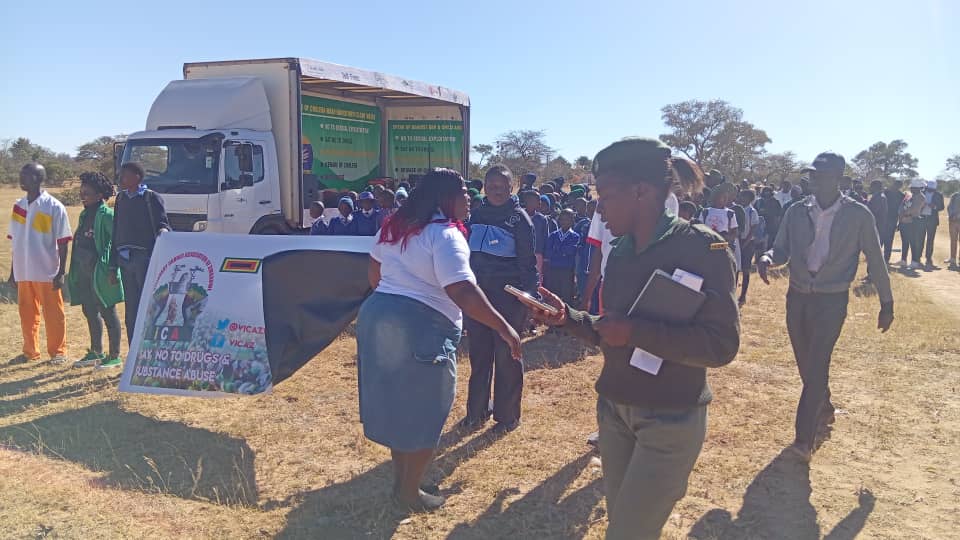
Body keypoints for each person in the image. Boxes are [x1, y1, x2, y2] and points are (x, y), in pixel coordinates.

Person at [531, 138, 739, 540]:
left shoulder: (703, 249)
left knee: (628, 533)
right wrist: (569, 319)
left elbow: (721, 346)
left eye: (605, 196)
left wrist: (635, 332)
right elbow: (613, 332)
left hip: (670, 418)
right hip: (615, 410)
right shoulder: (622, 251)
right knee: (624, 525)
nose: (598, 208)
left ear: (641, 192)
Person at [357, 168, 521, 512]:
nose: (470, 197)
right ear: (446, 197)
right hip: (421, 328)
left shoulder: (394, 227)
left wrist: (395, 305)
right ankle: (408, 494)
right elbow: (461, 288)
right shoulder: (445, 234)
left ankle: (404, 483)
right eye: (463, 192)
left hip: (378, 320)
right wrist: (504, 327)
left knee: (401, 409)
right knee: (426, 412)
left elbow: (374, 272)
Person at [758, 152, 894, 462]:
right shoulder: (795, 212)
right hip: (798, 297)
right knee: (806, 364)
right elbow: (780, 249)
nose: (814, 180)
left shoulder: (858, 215)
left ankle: (803, 440)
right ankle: (826, 406)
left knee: (817, 362)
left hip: (832, 300)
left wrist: (887, 302)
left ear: (837, 178)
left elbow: (875, 258)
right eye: (813, 174)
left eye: (821, 175)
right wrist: (768, 258)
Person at [462, 164, 538, 432]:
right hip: (478, 297)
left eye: (502, 186)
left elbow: (529, 265)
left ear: (511, 188)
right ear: (484, 188)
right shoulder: (476, 214)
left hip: (508, 298)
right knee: (479, 356)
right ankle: (476, 412)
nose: (496, 191)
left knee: (507, 356)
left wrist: (529, 303)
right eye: (491, 186)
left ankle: (507, 417)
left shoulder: (520, 220)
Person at [8, 163, 72, 365]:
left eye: (24, 175)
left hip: (47, 271)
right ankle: (30, 351)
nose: (20, 179)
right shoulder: (19, 205)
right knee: (27, 314)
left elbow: (63, 241)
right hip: (24, 271)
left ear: (36, 179)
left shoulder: (53, 207)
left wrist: (61, 272)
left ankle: (58, 352)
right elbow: (16, 240)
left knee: (53, 314)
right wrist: (13, 272)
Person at [68, 172, 125, 369]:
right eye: (81, 193)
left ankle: (115, 355)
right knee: (89, 310)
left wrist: (111, 269)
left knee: (108, 312)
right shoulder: (84, 214)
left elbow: (116, 243)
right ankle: (95, 352)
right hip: (84, 272)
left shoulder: (107, 215)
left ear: (100, 194)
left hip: (100, 273)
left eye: (87, 193)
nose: (83, 196)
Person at [110, 162, 170, 345]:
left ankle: (148, 348)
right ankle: (132, 351)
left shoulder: (150, 198)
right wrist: (113, 265)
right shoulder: (120, 199)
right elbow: (116, 229)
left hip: (144, 259)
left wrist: (164, 232)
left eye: (125, 175)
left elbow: (163, 224)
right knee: (131, 310)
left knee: (148, 307)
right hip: (125, 260)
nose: (121, 179)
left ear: (137, 177)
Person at [544, 209, 580, 304]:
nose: (564, 222)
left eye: (567, 220)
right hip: (553, 268)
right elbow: (548, 252)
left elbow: (572, 250)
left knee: (567, 294)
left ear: (572, 221)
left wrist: (557, 249)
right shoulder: (553, 235)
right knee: (553, 294)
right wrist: (563, 252)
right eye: (562, 220)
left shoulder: (575, 236)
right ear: (559, 221)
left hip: (567, 270)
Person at [735, 189, 761, 307]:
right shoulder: (736, 209)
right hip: (738, 241)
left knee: (745, 269)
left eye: (743, 196)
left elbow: (753, 229)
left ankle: (743, 295)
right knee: (735, 269)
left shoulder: (752, 211)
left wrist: (744, 243)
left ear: (749, 199)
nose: (740, 198)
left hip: (748, 243)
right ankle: (733, 292)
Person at [898, 179, 927, 269]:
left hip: (913, 221)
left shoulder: (921, 197)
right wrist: (901, 215)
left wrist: (905, 214)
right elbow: (902, 206)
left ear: (918, 188)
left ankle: (914, 261)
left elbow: (915, 210)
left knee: (913, 242)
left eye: (913, 187)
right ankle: (903, 260)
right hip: (904, 220)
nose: (911, 188)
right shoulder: (910, 196)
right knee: (905, 241)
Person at [918, 180, 945, 269]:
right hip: (921, 218)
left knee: (930, 240)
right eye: (929, 189)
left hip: (932, 220)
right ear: (926, 187)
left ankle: (928, 258)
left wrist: (935, 207)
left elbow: (942, 207)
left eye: (932, 189)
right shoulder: (921, 193)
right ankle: (918, 258)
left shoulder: (938, 195)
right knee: (920, 239)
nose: (930, 190)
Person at [882, 180, 905, 263]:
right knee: (879, 239)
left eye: (899, 185)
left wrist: (899, 222)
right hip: (882, 219)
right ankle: (876, 257)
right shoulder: (885, 192)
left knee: (889, 240)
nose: (896, 187)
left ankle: (886, 259)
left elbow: (901, 210)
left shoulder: (902, 196)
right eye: (896, 185)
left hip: (892, 220)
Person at [946, 190, 960, 269]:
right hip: (953, 221)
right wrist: (952, 215)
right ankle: (952, 258)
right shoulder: (954, 195)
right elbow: (949, 207)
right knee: (953, 240)